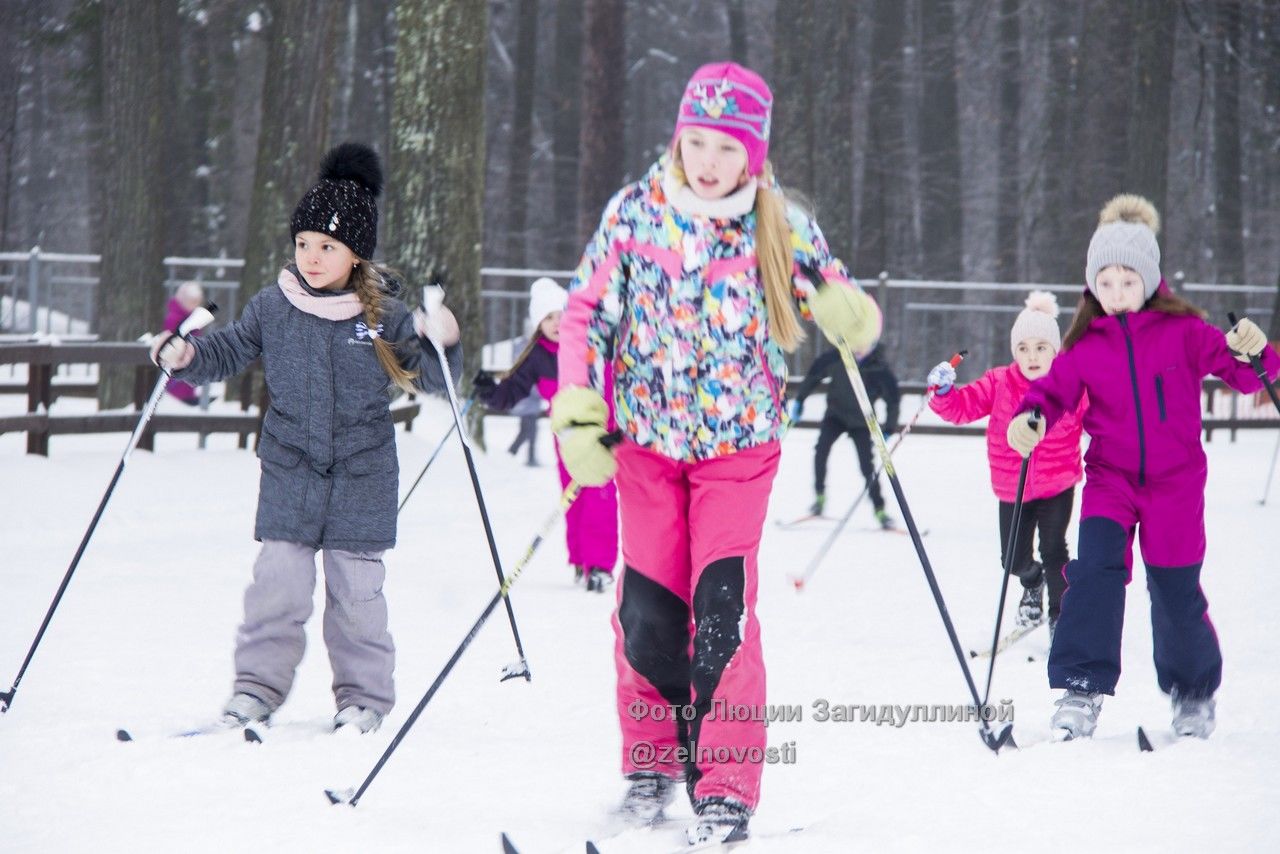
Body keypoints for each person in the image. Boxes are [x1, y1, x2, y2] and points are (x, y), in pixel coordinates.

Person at [549, 62, 880, 844]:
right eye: (694, 141)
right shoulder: (635, 212)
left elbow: (848, 314)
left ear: (753, 154)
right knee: (648, 613)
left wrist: (845, 313)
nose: (707, 160)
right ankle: (651, 763)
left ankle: (726, 786)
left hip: (739, 448)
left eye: (725, 148)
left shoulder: (782, 223)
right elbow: (583, 314)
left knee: (722, 609)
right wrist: (576, 407)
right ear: (678, 137)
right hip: (647, 445)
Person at [149, 142, 462, 735]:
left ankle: (363, 699)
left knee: (357, 593)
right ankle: (255, 690)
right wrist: (187, 354)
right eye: (303, 244)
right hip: (291, 466)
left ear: (355, 254)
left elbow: (435, 378)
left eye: (327, 246)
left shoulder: (383, 317)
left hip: (363, 472)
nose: (311, 257)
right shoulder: (274, 305)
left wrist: (443, 342)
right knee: (278, 583)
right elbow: (228, 349)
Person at [1007, 194, 1279, 741]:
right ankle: (1081, 689)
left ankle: (1193, 696)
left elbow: (1247, 376)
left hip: (1175, 485)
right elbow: (1051, 391)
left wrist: (1257, 352)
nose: (1115, 294)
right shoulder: (1086, 345)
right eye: (1103, 282)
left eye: (1126, 281)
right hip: (1110, 480)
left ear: (1150, 280)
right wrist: (1030, 416)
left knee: (1175, 587)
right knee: (1095, 576)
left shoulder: (1186, 332)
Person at [925, 291, 1086, 632]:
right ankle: (1033, 583)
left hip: (1057, 483)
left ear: (1055, 350)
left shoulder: (1071, 383)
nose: (1032, 356)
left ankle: (1061, 616)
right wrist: (943, 394)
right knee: (1012, 559)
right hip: (1011, 486)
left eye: (1041, 347)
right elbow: (962, 407)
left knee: (1055, 548)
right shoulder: (999, 382)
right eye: (1024, 348)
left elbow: (1103, 418)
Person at [474, 276, 620, 591]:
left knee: (600, 497)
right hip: (566, 439)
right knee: (573, 497)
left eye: (560, 314)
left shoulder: (590, 344)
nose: (556, 323)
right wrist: (489, 392)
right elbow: (512, 391)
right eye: (547, 318)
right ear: (538, 323)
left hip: (600, 434)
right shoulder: (538, 354)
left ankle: (599, 566)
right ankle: (580, 561)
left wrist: (616, 428)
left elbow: (613, 385)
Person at [791, 343, 900, 528]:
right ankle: (819, 498)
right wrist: (800, 400)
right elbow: (815, 374)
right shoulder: (838, 356)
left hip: (861, 421)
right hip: (835, 415)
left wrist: (889, 428)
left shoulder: (877, 366)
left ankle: (880, 510)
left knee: (867, 466)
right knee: (821, 451)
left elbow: (893, 398)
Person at [162, 281, 208, 405]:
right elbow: (171, 334)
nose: (194, 305)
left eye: (196, 302)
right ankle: (180, 395)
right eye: (192, 302)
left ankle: (188, 395)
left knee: (189, 372)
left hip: (190, 352)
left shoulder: (190, 315)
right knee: (180, 374)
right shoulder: (176, 316)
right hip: (177, 353)